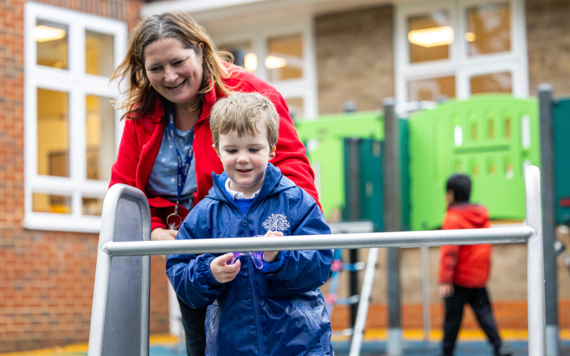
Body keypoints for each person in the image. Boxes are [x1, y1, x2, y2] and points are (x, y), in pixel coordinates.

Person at [109, 11, 320, 356]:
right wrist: (154, 230)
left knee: (283, 338)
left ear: (200, 50)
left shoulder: (247, 93)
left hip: (258, 243)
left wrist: (294, 234)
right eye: (156, 68)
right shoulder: (142, 114)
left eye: (178, 61)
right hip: (194, 254)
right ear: (143, 69)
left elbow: (293, 166)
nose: (170, 76)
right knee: (205, 345)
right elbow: (125, 190)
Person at [166, 92, 333, 356]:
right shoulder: (205, 213)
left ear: (272, 149)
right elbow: (179, 270)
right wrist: (208, 272)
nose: (242, 158)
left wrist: (280, 258)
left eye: (254, 149)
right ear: (217, 150)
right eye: (232, 150)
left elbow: (322, 263)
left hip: (299, 343)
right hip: (233, 345)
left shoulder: (296, 202)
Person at [439, 174, 512, 356]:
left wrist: (445, 279)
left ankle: (447, 352)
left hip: (458, 279)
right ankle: (498, 346)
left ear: (450, 194)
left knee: (452, 319)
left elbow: (449, 251)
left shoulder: (452, 218)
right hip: (478, 277)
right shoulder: (482, 216)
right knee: (485, 314)